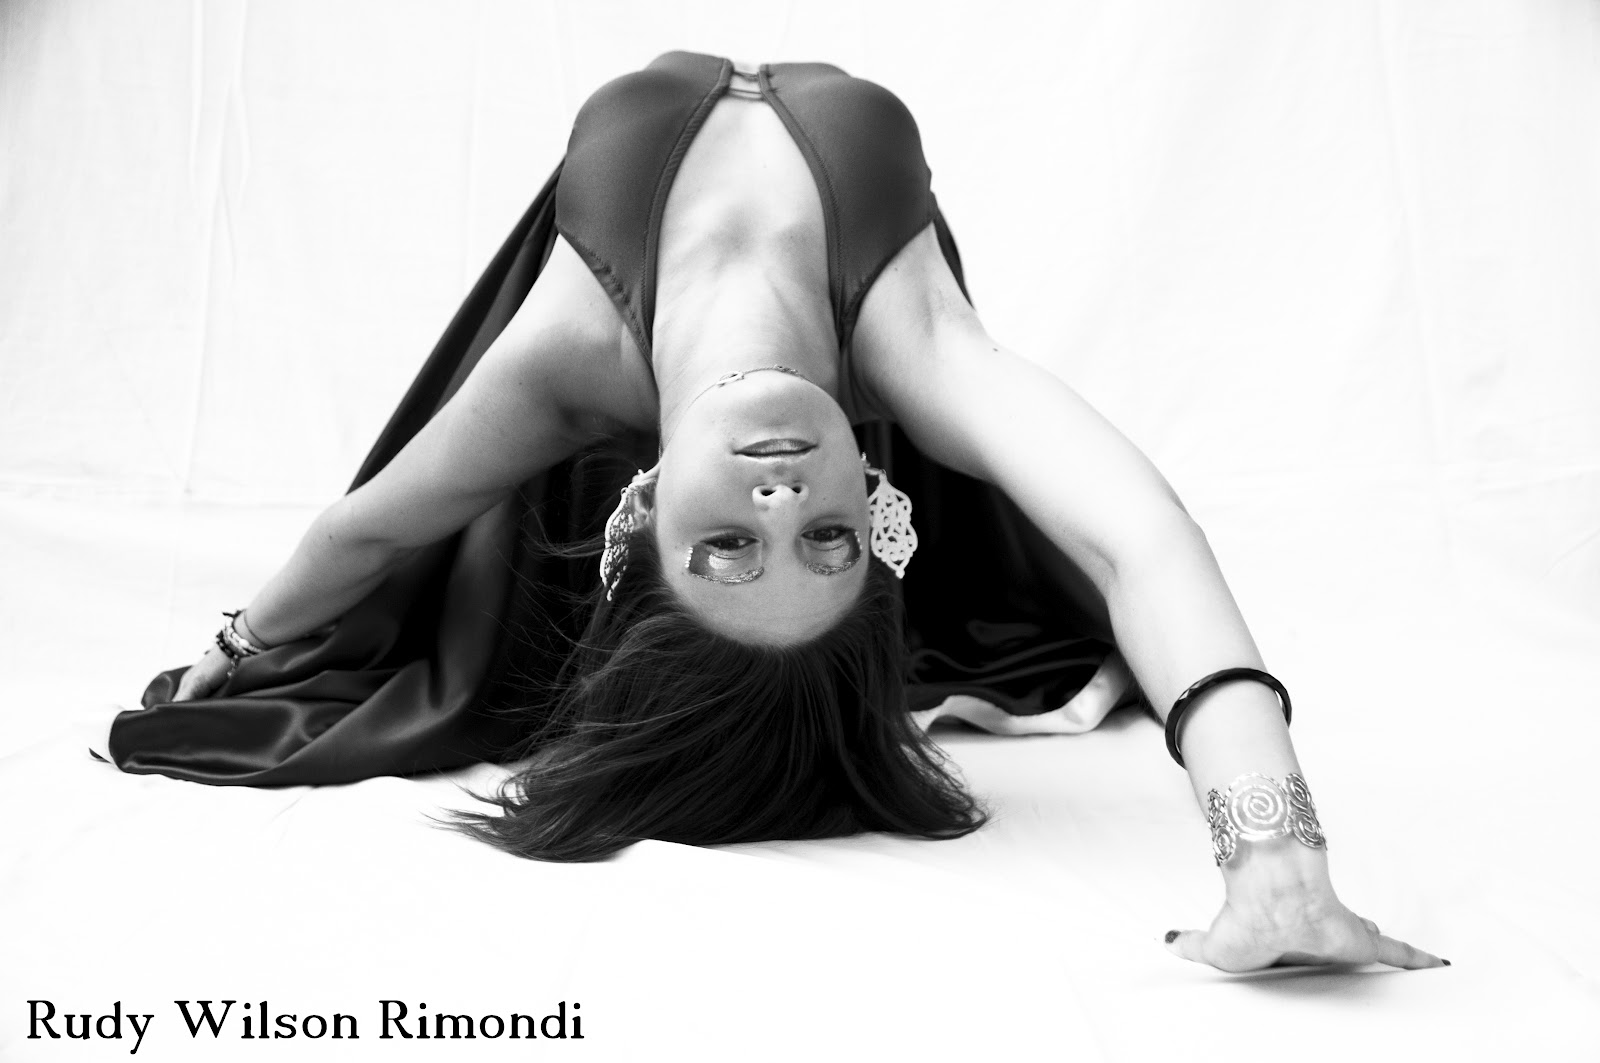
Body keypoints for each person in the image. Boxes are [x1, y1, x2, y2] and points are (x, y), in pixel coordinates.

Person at [103, 51, 1443, 973]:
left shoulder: (571, 366)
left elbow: (369, 532)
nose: (786, 493)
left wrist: (234, 649)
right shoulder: (913, 346)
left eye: (728, 547)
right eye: (829, 541)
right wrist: (1275, 858)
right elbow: (1135, 538)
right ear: (885, 513)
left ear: (635, 521)